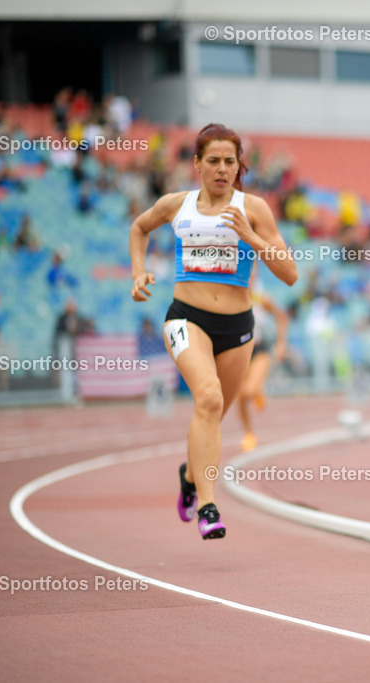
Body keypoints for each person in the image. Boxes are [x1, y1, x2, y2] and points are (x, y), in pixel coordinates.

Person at [130, 123, 297, 539]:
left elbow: (289, 273)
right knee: (208, 397)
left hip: (238, 328)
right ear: (197, 165)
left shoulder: (254, 208)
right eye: (213, 161)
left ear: (239, 165)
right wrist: (138, 272)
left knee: (213, 416)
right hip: (187, 317)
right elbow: (139, 229)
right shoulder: (176, 205)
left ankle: (190, 474)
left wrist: (250, 236)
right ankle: (207, 504)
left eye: (230, 161)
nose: (222, 169)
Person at [237, 266, 290, 452]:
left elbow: (282, 317)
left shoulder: (261, 298)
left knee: (249, 391)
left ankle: (257, 390)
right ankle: (249, 433)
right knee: (241, 397)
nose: (250, 276)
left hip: (259, 350)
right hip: (238, 353)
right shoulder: (231, 296)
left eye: (253, 273)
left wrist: (281, 343)